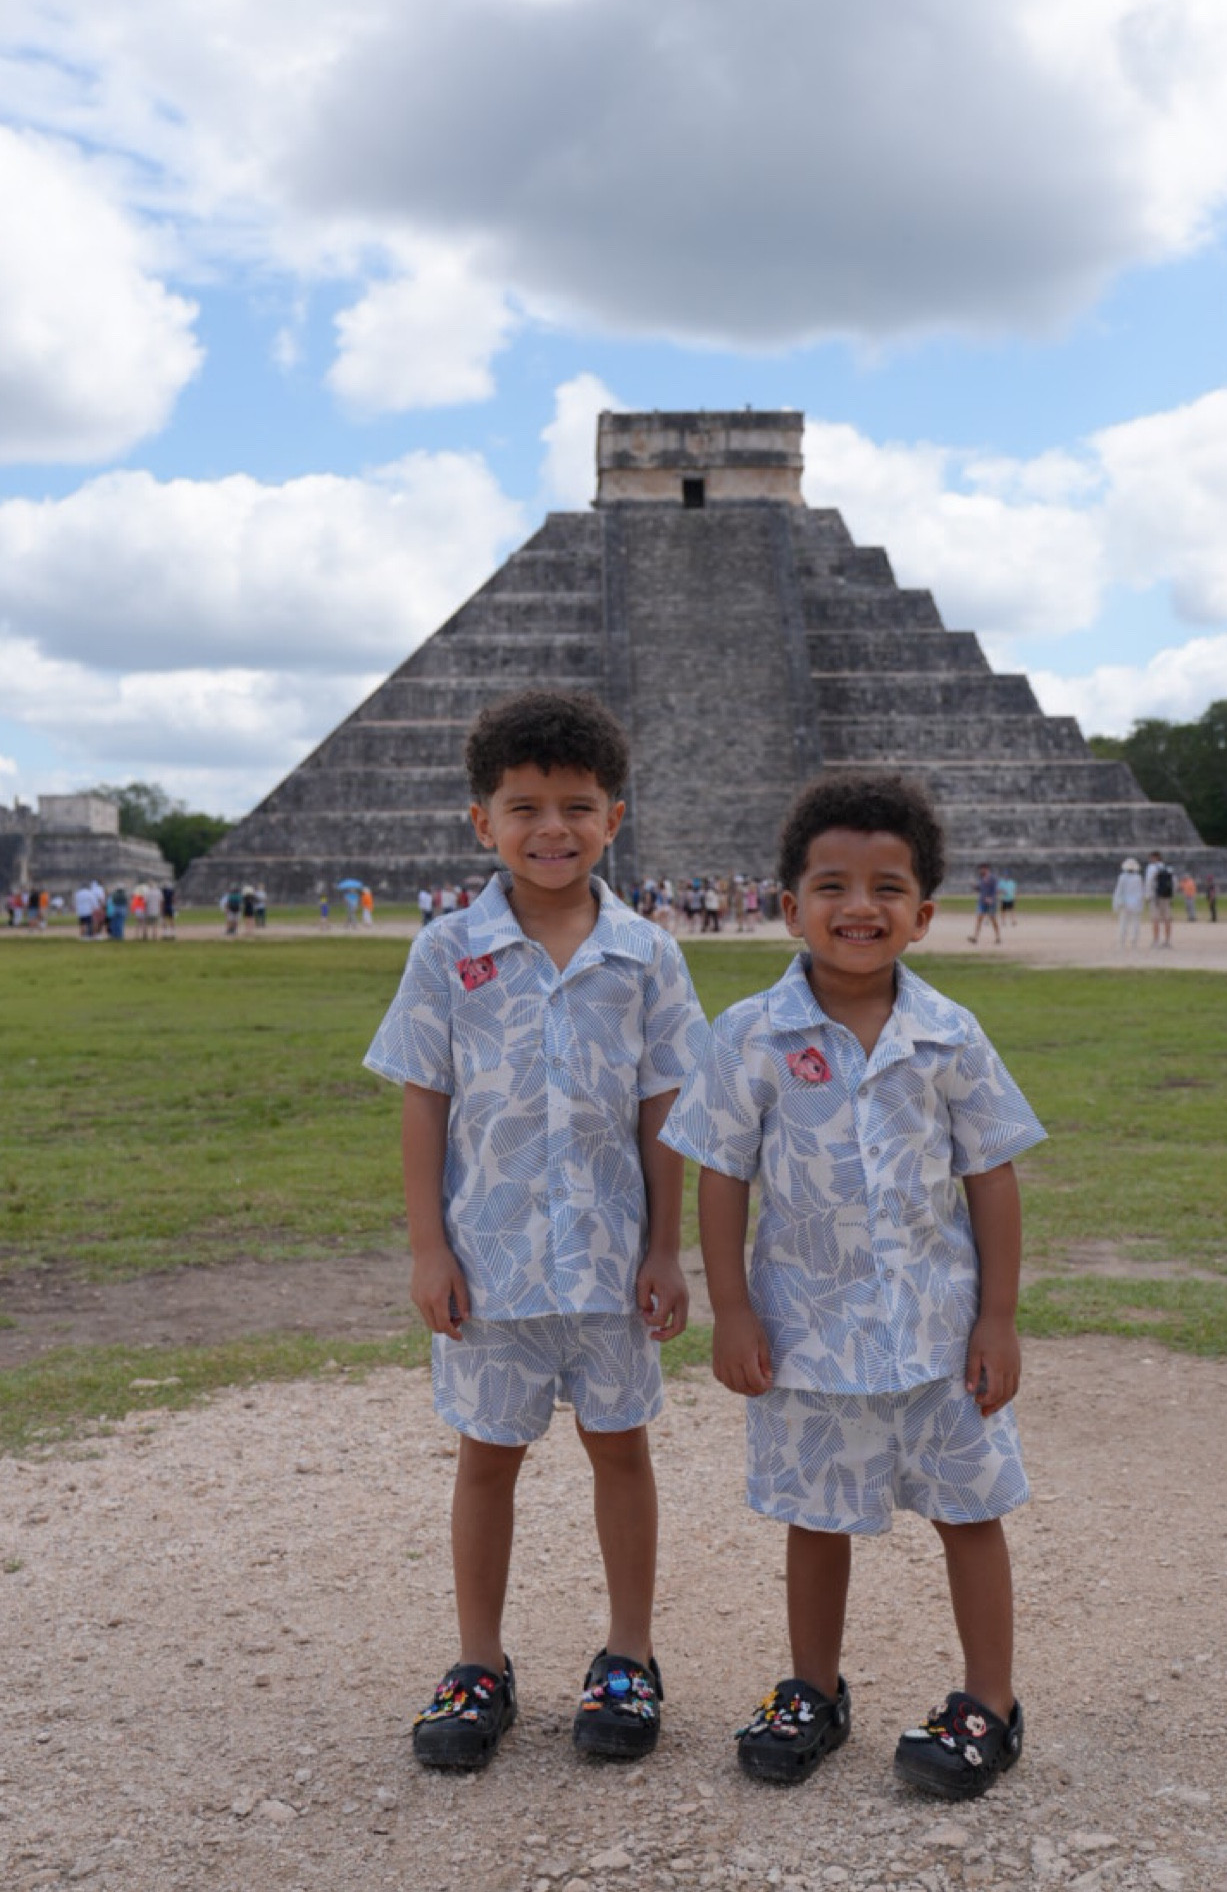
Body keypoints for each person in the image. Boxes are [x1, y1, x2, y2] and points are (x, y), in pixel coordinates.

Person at [663, 774, 1045, 1800]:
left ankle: (991, 1701)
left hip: (937, 1331)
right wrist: (733, 1306)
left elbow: (992, 1172)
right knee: (816, 1515)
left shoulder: (950, 1032)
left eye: (888, 886)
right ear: (787, 906)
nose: (859, 906)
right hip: (809, 1334)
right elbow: (722, 1171)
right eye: (831, 884)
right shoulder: (750, 1031)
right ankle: (813, 1687)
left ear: (924, 913)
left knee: (970, 1510)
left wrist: (999, 1317)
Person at [364, 688, 708, 1775]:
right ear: (483, 822)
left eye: (577, 805)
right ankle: (478, 1661)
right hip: (492, 1258)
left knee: (622, 1453)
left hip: (610, 1260)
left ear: (615, 815)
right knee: (486, 1461)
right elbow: (424, 1096)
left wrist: (667, 1246)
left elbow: (667, 1107)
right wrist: (429, 1247)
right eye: (524, 807)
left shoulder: (648, 953)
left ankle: (629, 1653)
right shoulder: (446, 949)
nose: (551, 828)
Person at [1111, 857, 1143, 949]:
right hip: (1135, 903)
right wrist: (1140, 903)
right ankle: (1134, 941)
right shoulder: (1138, 878)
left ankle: (1122, 942)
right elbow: (1140, 892)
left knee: (1123, 923)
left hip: (1125, 903)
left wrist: (1116, 903)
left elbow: (1119, 891)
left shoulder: (1122, 877)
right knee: (1135, 923)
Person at [1144, 853, 1174, 948]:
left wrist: (1147, 896)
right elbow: (1173, 883)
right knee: (1167, 919)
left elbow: (1148, 882)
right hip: (1166, 896)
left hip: (1155, 897)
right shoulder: (1168, 868)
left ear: (1154, 858)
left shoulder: (1151, 868)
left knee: (1155, 919)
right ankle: (1167, 941)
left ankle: (1156, 941)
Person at [968, 861, 1001, 945]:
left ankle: (998, 937)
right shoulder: (981, 879)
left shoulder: (993, 878)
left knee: (993, 919)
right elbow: (980, 889)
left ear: (986, 869)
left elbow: (995, 890)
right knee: (979, 919)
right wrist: (974, 886)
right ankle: (975, 937)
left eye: (981, 869)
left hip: (991, 902)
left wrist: (991, 898)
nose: (980, 871)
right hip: (982, 901)